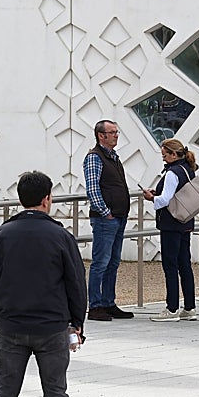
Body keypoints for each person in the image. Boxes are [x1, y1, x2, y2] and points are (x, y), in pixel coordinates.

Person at [0, 170, 86, 397]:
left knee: (5, 392)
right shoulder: (60, 235)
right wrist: (76, 322)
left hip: (12, 326)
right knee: (55, 393)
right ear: (46, 199)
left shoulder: (2, 234)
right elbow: (75, 283)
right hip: (52, 326)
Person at [81, 120, 134, 321]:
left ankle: (108, 302)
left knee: (113, 262)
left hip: (118, 216)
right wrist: (105, 212)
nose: (116, 135)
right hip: (107, 218)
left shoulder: (113, 157)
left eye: (116, 132)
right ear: (100, 135)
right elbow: (93, 189)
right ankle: (95, 306)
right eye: (112, 132)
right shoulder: (95, 157)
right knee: (101, 262)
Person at [142, 138, 198, 322]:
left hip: (171, 224)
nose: (164, 158)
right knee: (185, 264)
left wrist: (152, 198)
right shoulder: (188, 169)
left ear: (174, 154)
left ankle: (172, 308)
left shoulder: (172, 173)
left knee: (170, 265)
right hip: (185, 221)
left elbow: (165, 199)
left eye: (165, 155)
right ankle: (189, 307)